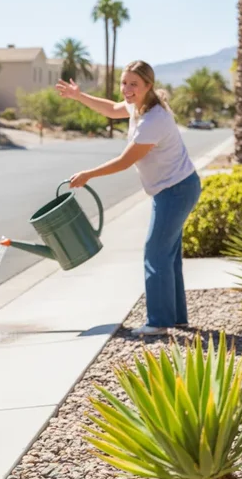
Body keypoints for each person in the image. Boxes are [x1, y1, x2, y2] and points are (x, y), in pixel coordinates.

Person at [57, 60, 201, 337]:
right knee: (167, 254)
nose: (126, 89)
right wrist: (78, 96)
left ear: (148, 85)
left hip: (176, 189)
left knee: (155, 252)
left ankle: (159, 322)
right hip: (176, 188)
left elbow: (125, 162)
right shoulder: (139, 107)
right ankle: (176, 317)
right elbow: (111, 109)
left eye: (133, 84)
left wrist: (88, 174)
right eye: (124, 83)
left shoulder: (153, 120)